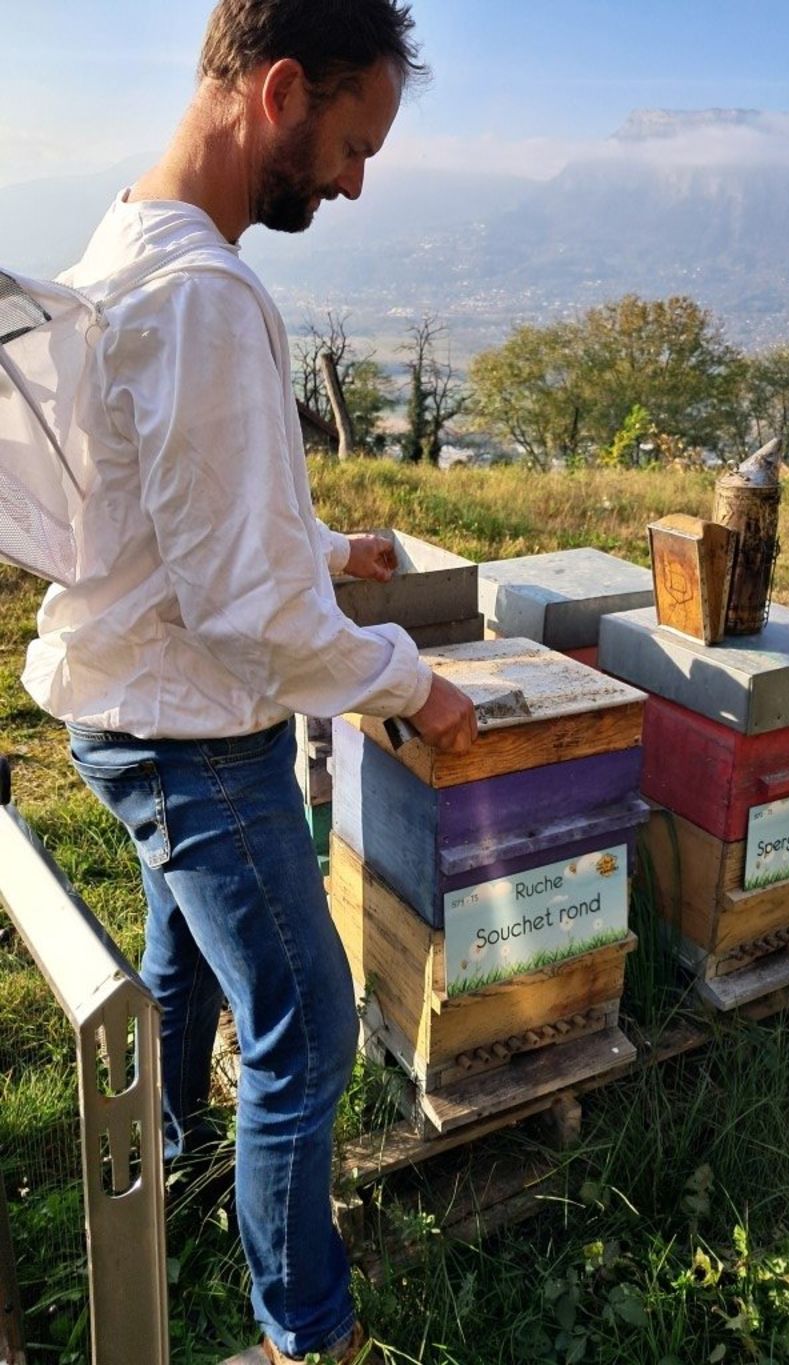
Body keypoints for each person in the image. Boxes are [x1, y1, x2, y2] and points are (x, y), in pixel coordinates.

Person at [20, 2, 477, 1361]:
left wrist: (327, 540)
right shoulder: (210, 295)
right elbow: (251, 617)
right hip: (193, 735)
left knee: (181, 951)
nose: (352, 179)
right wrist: (408, 684)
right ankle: (304, 1327)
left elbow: (172, 505)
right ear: (279, 91)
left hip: (126, 699)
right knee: (307, 1026)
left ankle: (156, 1165)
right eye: (350, 141)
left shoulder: (129, 241)